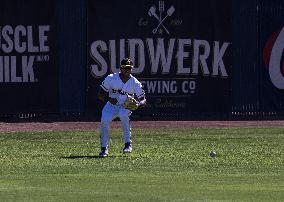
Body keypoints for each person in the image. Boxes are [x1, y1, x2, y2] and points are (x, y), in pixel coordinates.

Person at [97, 58, 146, 157]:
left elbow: (144, 100)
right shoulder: (111, 78)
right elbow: (100, 94)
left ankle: (128, 144)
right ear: (121, 68)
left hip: (125, 106)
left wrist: (138, 104)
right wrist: (109, 98)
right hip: (111, 105)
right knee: (104, 120)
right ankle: (104, 148)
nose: (127, 70)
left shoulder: (135, 83)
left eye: (129, 68)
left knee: (123, 114)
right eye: (125, 68)